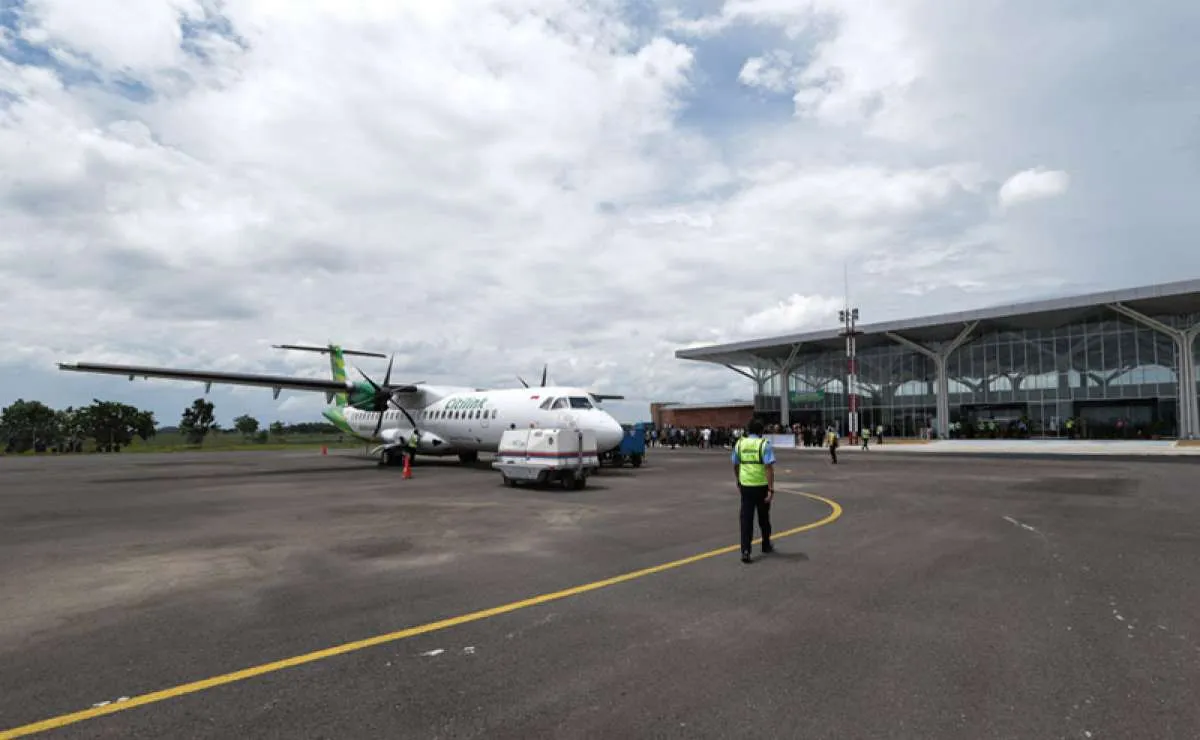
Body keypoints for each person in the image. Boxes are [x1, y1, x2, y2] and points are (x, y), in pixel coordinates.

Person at [731, 419, 775, 564]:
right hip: (761, 486)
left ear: (748, 430)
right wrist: (771, 489)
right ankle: (766, 544)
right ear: (761, 431)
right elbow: (768, 468)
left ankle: (745, 550)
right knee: (764, 518)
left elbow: (735, 464)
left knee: (746, 519)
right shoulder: (764, 444)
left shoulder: (739, 444)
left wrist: (738, 480)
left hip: (746, 486)